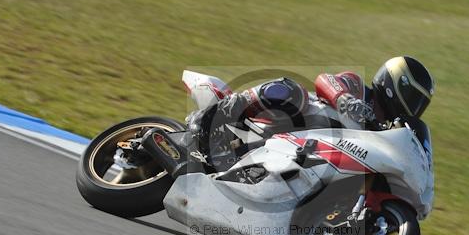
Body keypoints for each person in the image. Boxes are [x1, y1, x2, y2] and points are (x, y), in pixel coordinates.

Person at [186, 56, 434, 157]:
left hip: (297, 154)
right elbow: (325, 80)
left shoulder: (383, 132)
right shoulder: (358, 87)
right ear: (397, 83)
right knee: (293, 90)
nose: (415, 108)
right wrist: (345, 99)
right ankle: (215, 115)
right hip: (276, 121)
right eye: (415, 99)